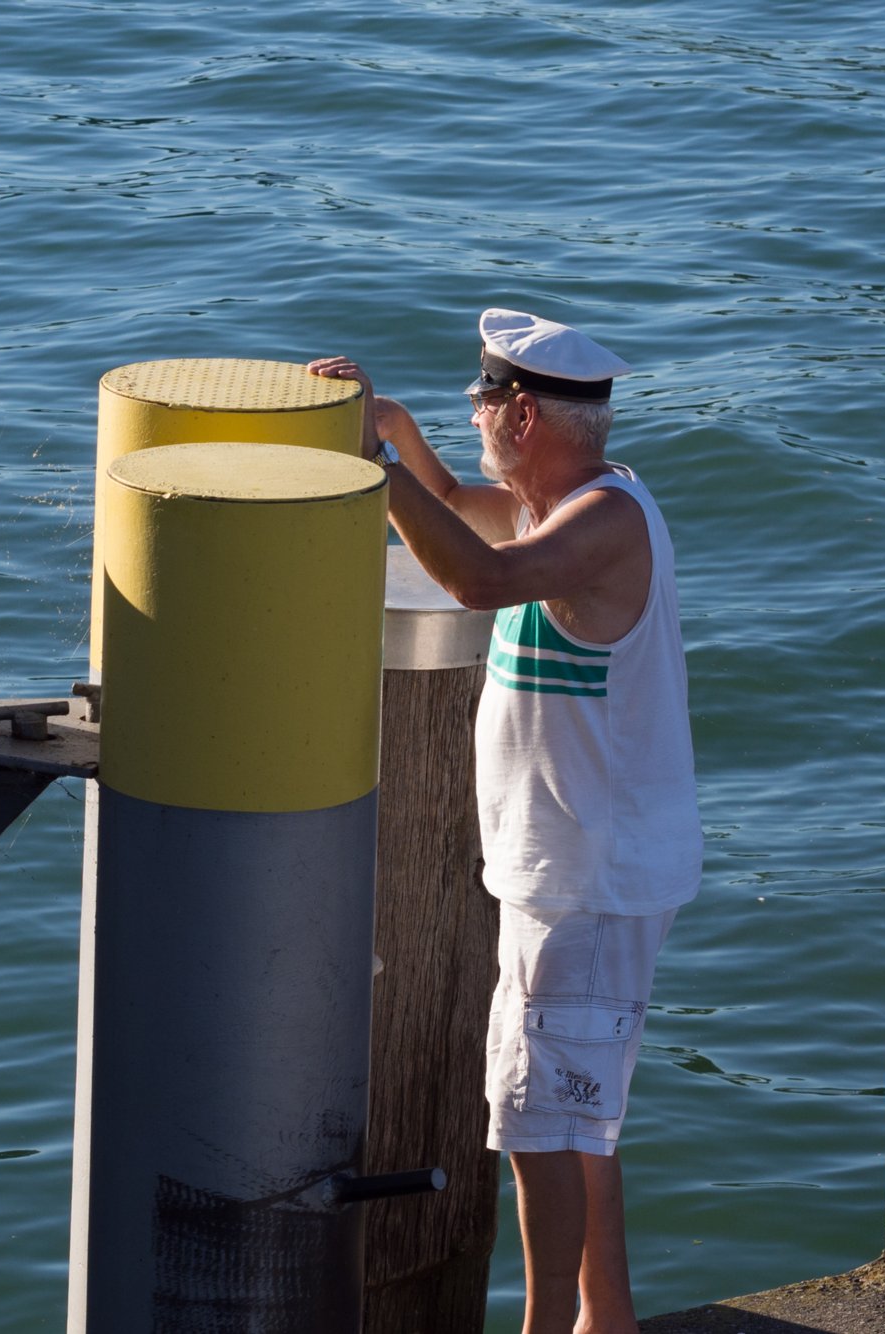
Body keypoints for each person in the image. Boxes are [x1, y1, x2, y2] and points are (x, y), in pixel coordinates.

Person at [310, 309, 703, 1334]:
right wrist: (395, 433)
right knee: (577, 1114)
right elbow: (453, 508)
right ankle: (602, 1314)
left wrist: (378, 469)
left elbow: (479, 579)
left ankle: (544, 1325)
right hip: (573, 871)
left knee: (537, 1120)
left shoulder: (597, 524)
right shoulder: (557, 504)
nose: (473, 417)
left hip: (586, 879)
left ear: (522, 414)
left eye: (480, 403)